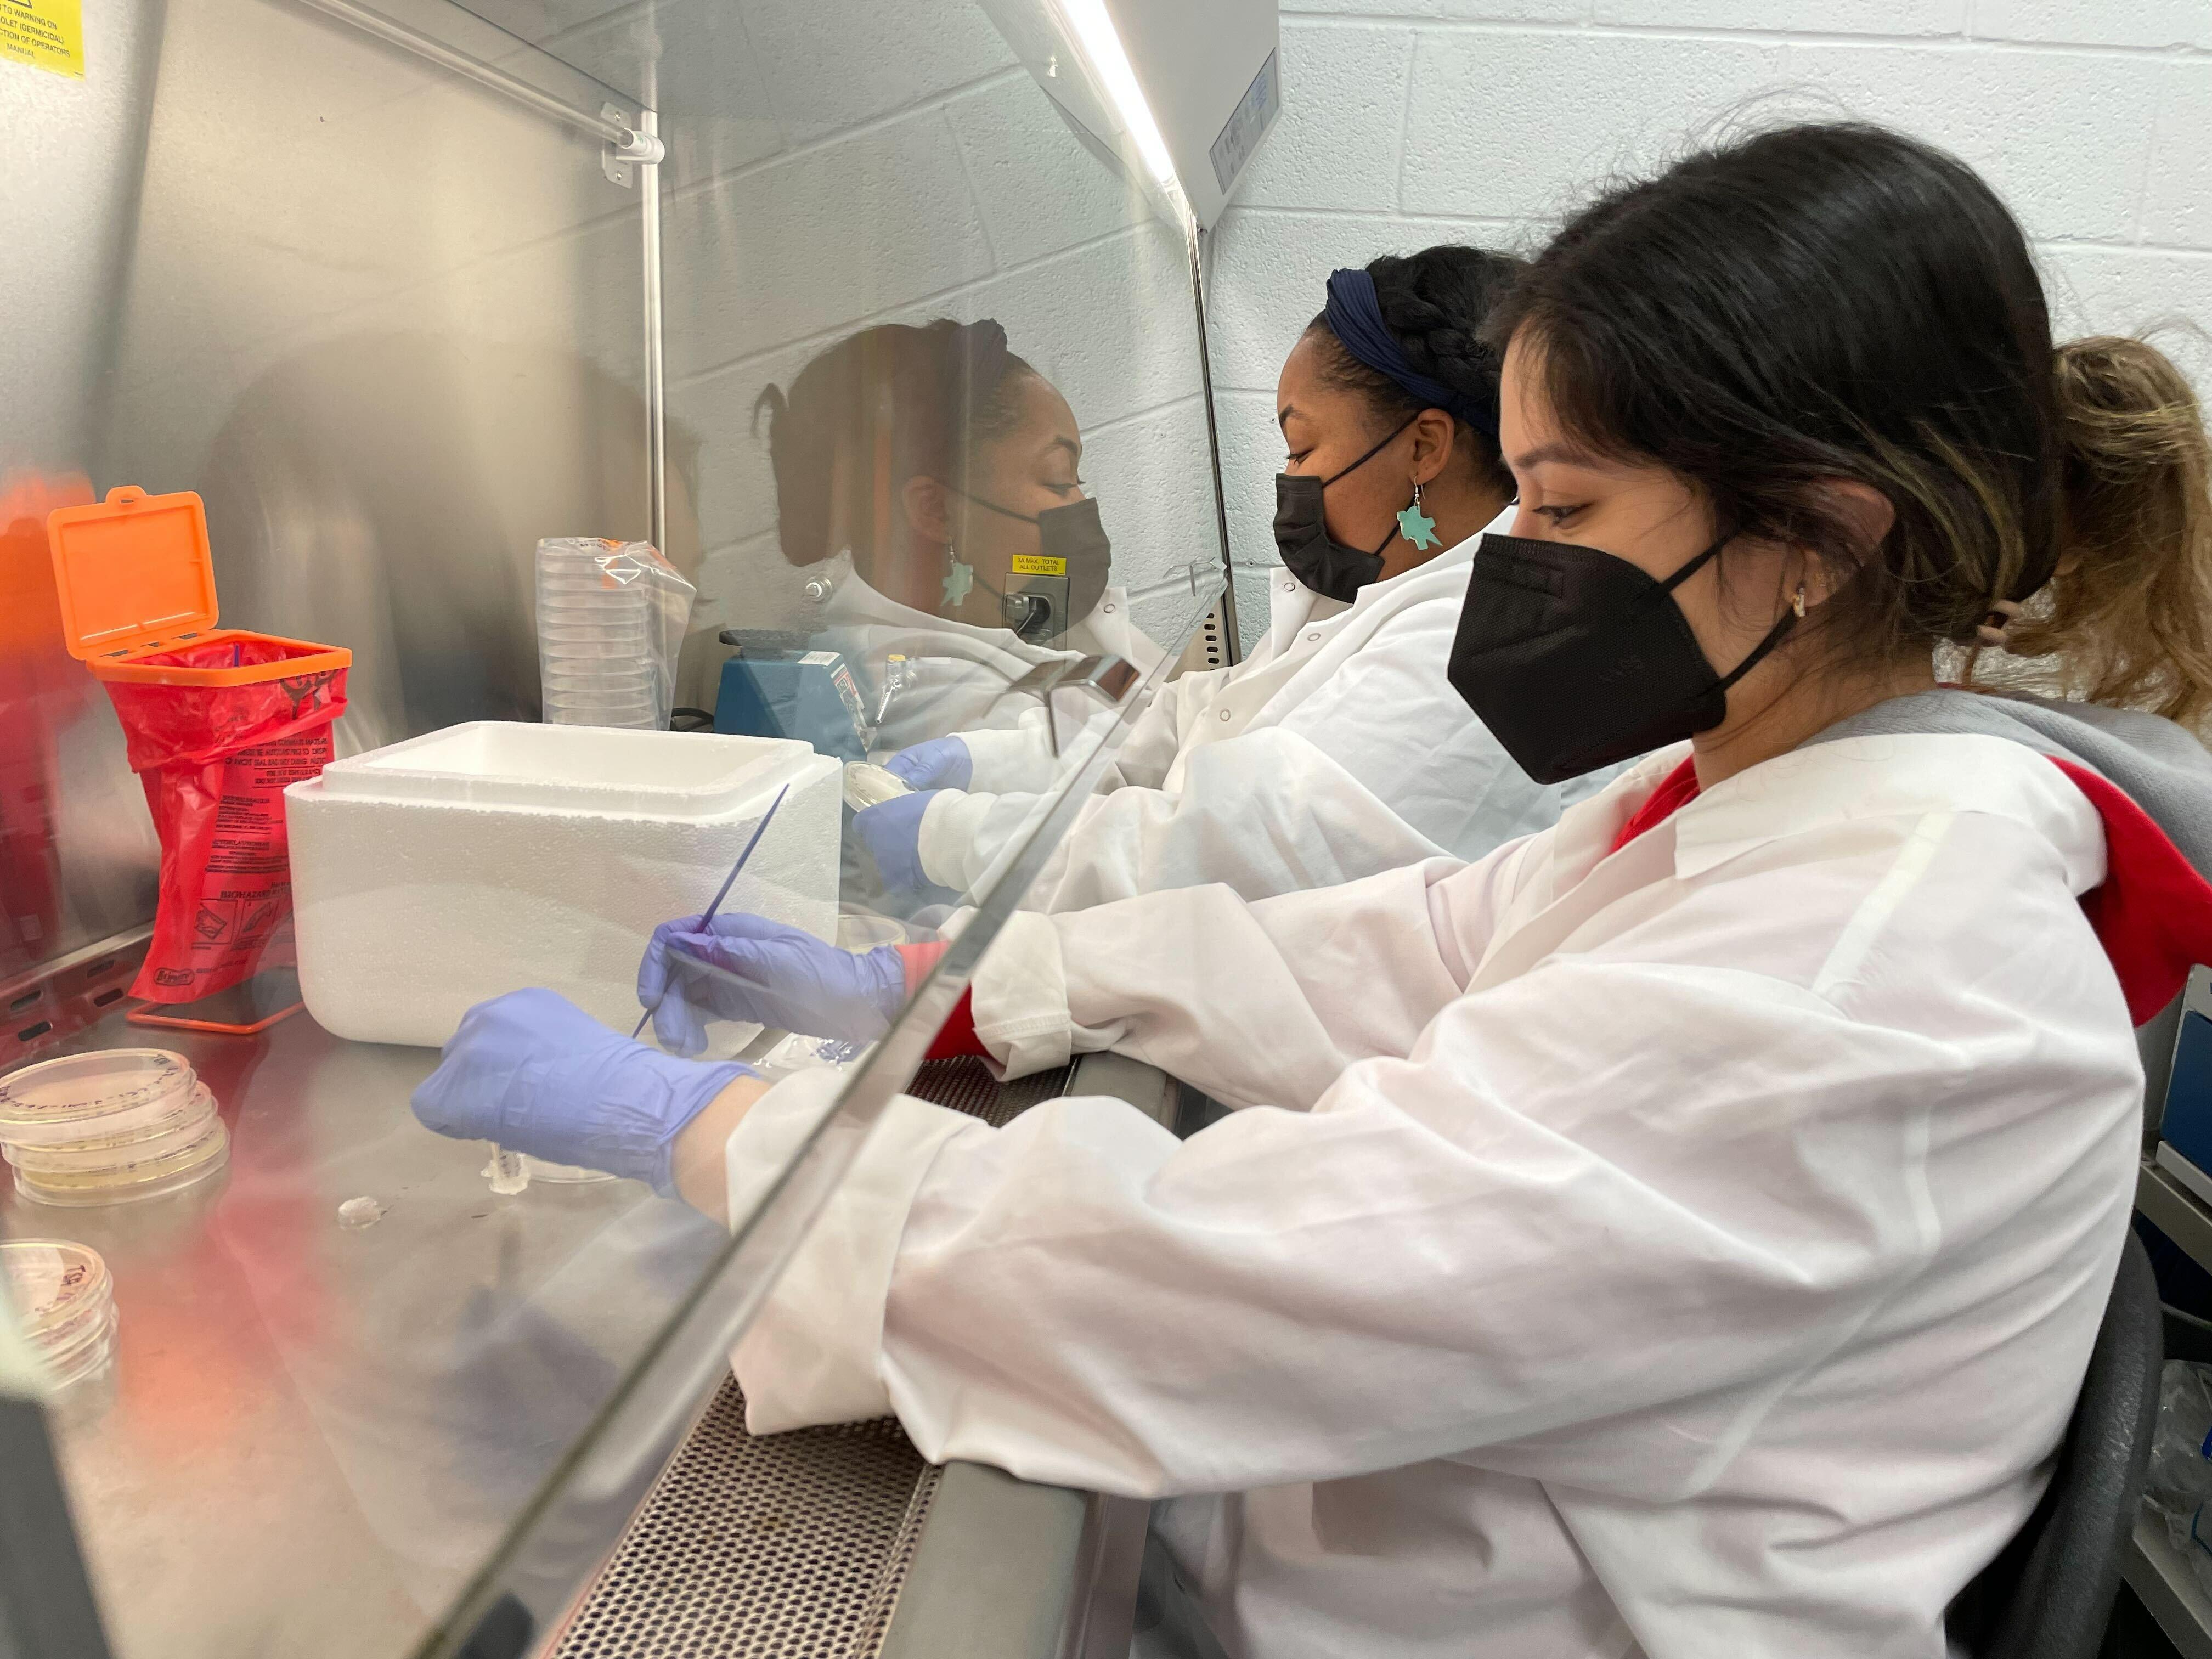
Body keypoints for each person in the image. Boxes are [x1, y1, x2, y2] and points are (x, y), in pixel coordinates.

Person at [414, 122, 2212, 1656]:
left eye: (1567, 510)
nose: (1501, 560)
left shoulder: (1877, 965)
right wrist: (966, 992)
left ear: (1821, 541)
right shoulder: (1777, 798)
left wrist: (721, 1126)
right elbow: (1413, 944)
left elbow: (1221, 1277)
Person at [845, 246, 1612, 922]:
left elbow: (1211, 855)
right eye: (1055, 480)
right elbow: (1189, 717)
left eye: (1302, 448)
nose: (1288, 481)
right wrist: (981, 768)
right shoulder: (1387, 598)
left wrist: (941, 837)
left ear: (1423, 450)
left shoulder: (1471, 650)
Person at [748, 318, 1161, 755]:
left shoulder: (1024, 614)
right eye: (1059, 480)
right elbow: (1160, 761)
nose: (1079, 502)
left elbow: (1170, 706)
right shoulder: (919, 699)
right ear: (937, 510)